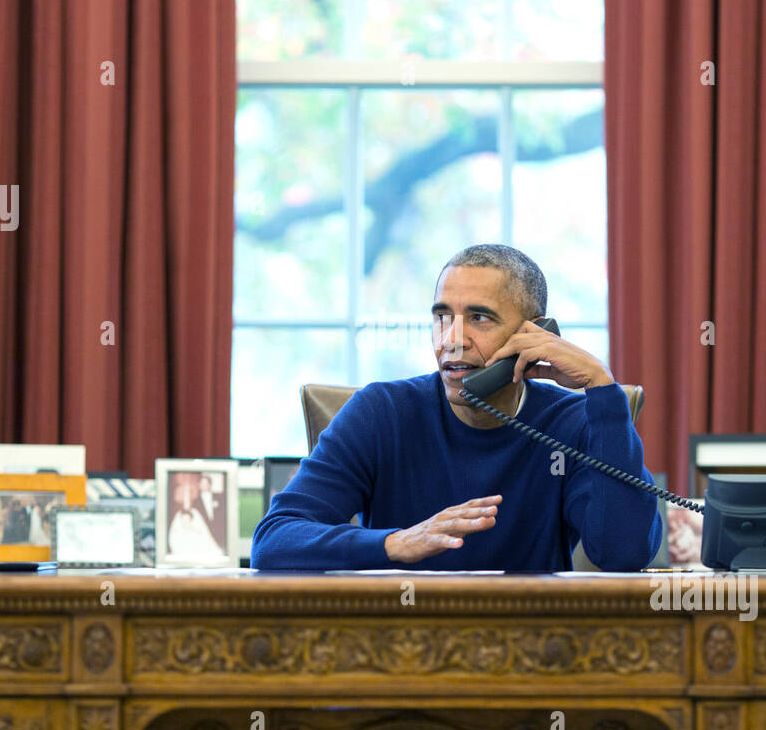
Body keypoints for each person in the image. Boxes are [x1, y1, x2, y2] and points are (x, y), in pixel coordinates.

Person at [251, 244, 663, 571]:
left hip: (533, 652)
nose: (452, 338)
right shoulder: (381, 412)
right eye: (442, 316)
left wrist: (603, 390)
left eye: (479, 318)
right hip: (397, 651)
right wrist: (396, 543)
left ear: (535, 334)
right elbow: (274, 542)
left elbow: (623, 553)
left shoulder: (572, 423)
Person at [167, 474, 228, 563]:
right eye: (202, 484)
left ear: (210, 484)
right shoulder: (196, 502)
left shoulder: (220, 497)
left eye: (206, 483)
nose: (204, 486)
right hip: (206, 530)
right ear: (199, 485)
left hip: (219, 531)